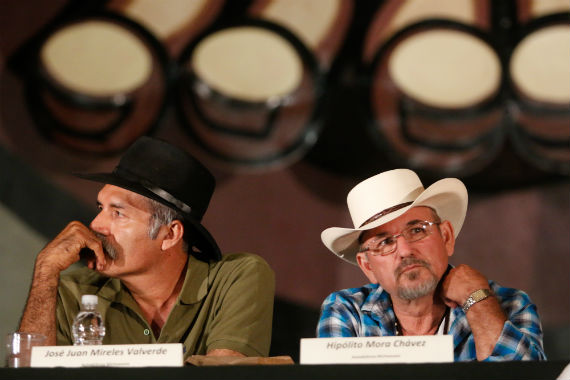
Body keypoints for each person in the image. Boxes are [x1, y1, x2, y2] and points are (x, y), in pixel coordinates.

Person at [18, 136, 275, 358]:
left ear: (170, 234)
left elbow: (225, 375)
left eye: (118, 213)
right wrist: (45, 271)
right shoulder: (70, 291)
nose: (96, 224)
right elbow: (26, 376)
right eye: (100, 208)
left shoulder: (236, 278)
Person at [317, 169, 545, 361]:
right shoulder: (347, 311)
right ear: (367, 266)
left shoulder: (512, 305)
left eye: (417, 230)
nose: (405, 251)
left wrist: (477, 300)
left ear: (446, 237)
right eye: (385, 242)